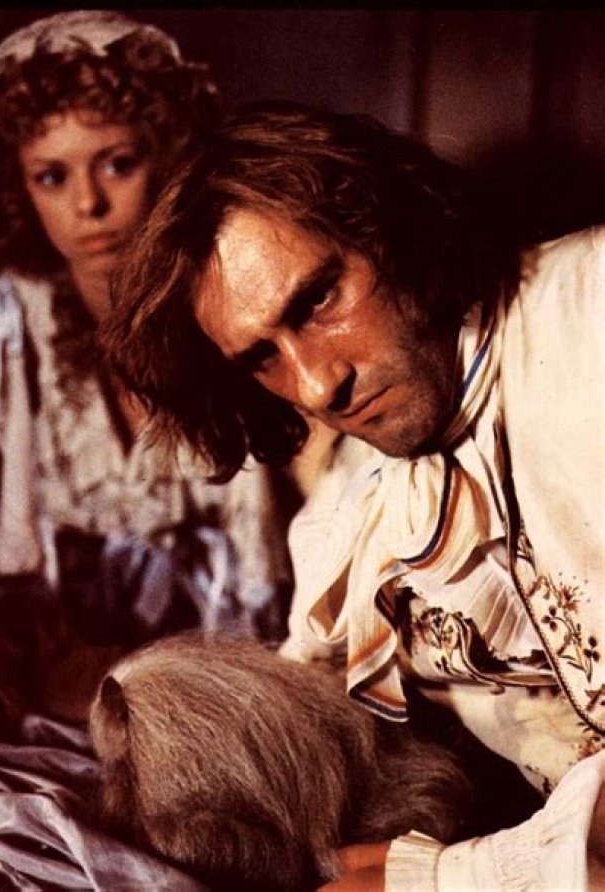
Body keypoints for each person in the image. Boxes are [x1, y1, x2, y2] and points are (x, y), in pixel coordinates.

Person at [102, 102, 605, 890]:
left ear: (394, 231)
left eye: (317, 301)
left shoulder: (590, 307)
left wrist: (458, 878)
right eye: (262, 358)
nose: (315, 385)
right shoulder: (347, 514)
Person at [0, 13, 295, 732]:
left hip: (220, 665)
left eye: (117, 163)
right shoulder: (12, 324)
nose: (89, 205)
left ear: (168, 157)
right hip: (58, 659)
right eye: (52, 176)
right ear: (19, 188)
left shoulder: (236, 300)